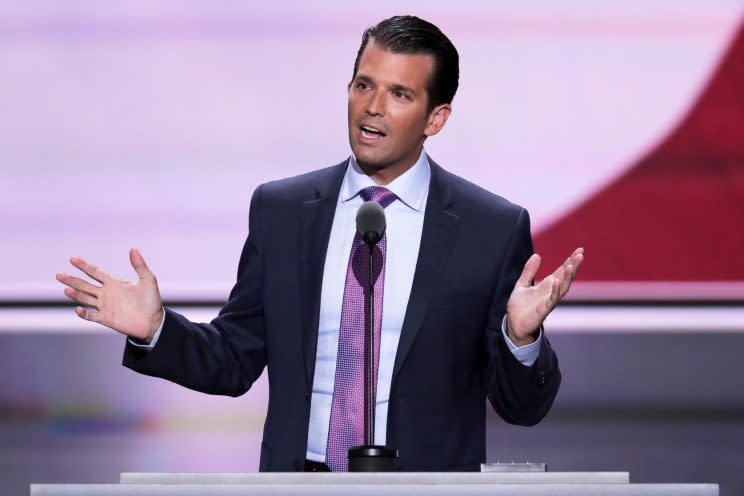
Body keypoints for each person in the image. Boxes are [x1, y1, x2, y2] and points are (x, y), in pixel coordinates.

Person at [56, 15, 583, 472]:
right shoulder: (282, 212)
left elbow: (521, 406)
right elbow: (236, 360)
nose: (372, 108)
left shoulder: (489, 227)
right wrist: (157, 329)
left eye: (400, 94)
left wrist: (520, 338)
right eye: (363, 84)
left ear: (436, 118)